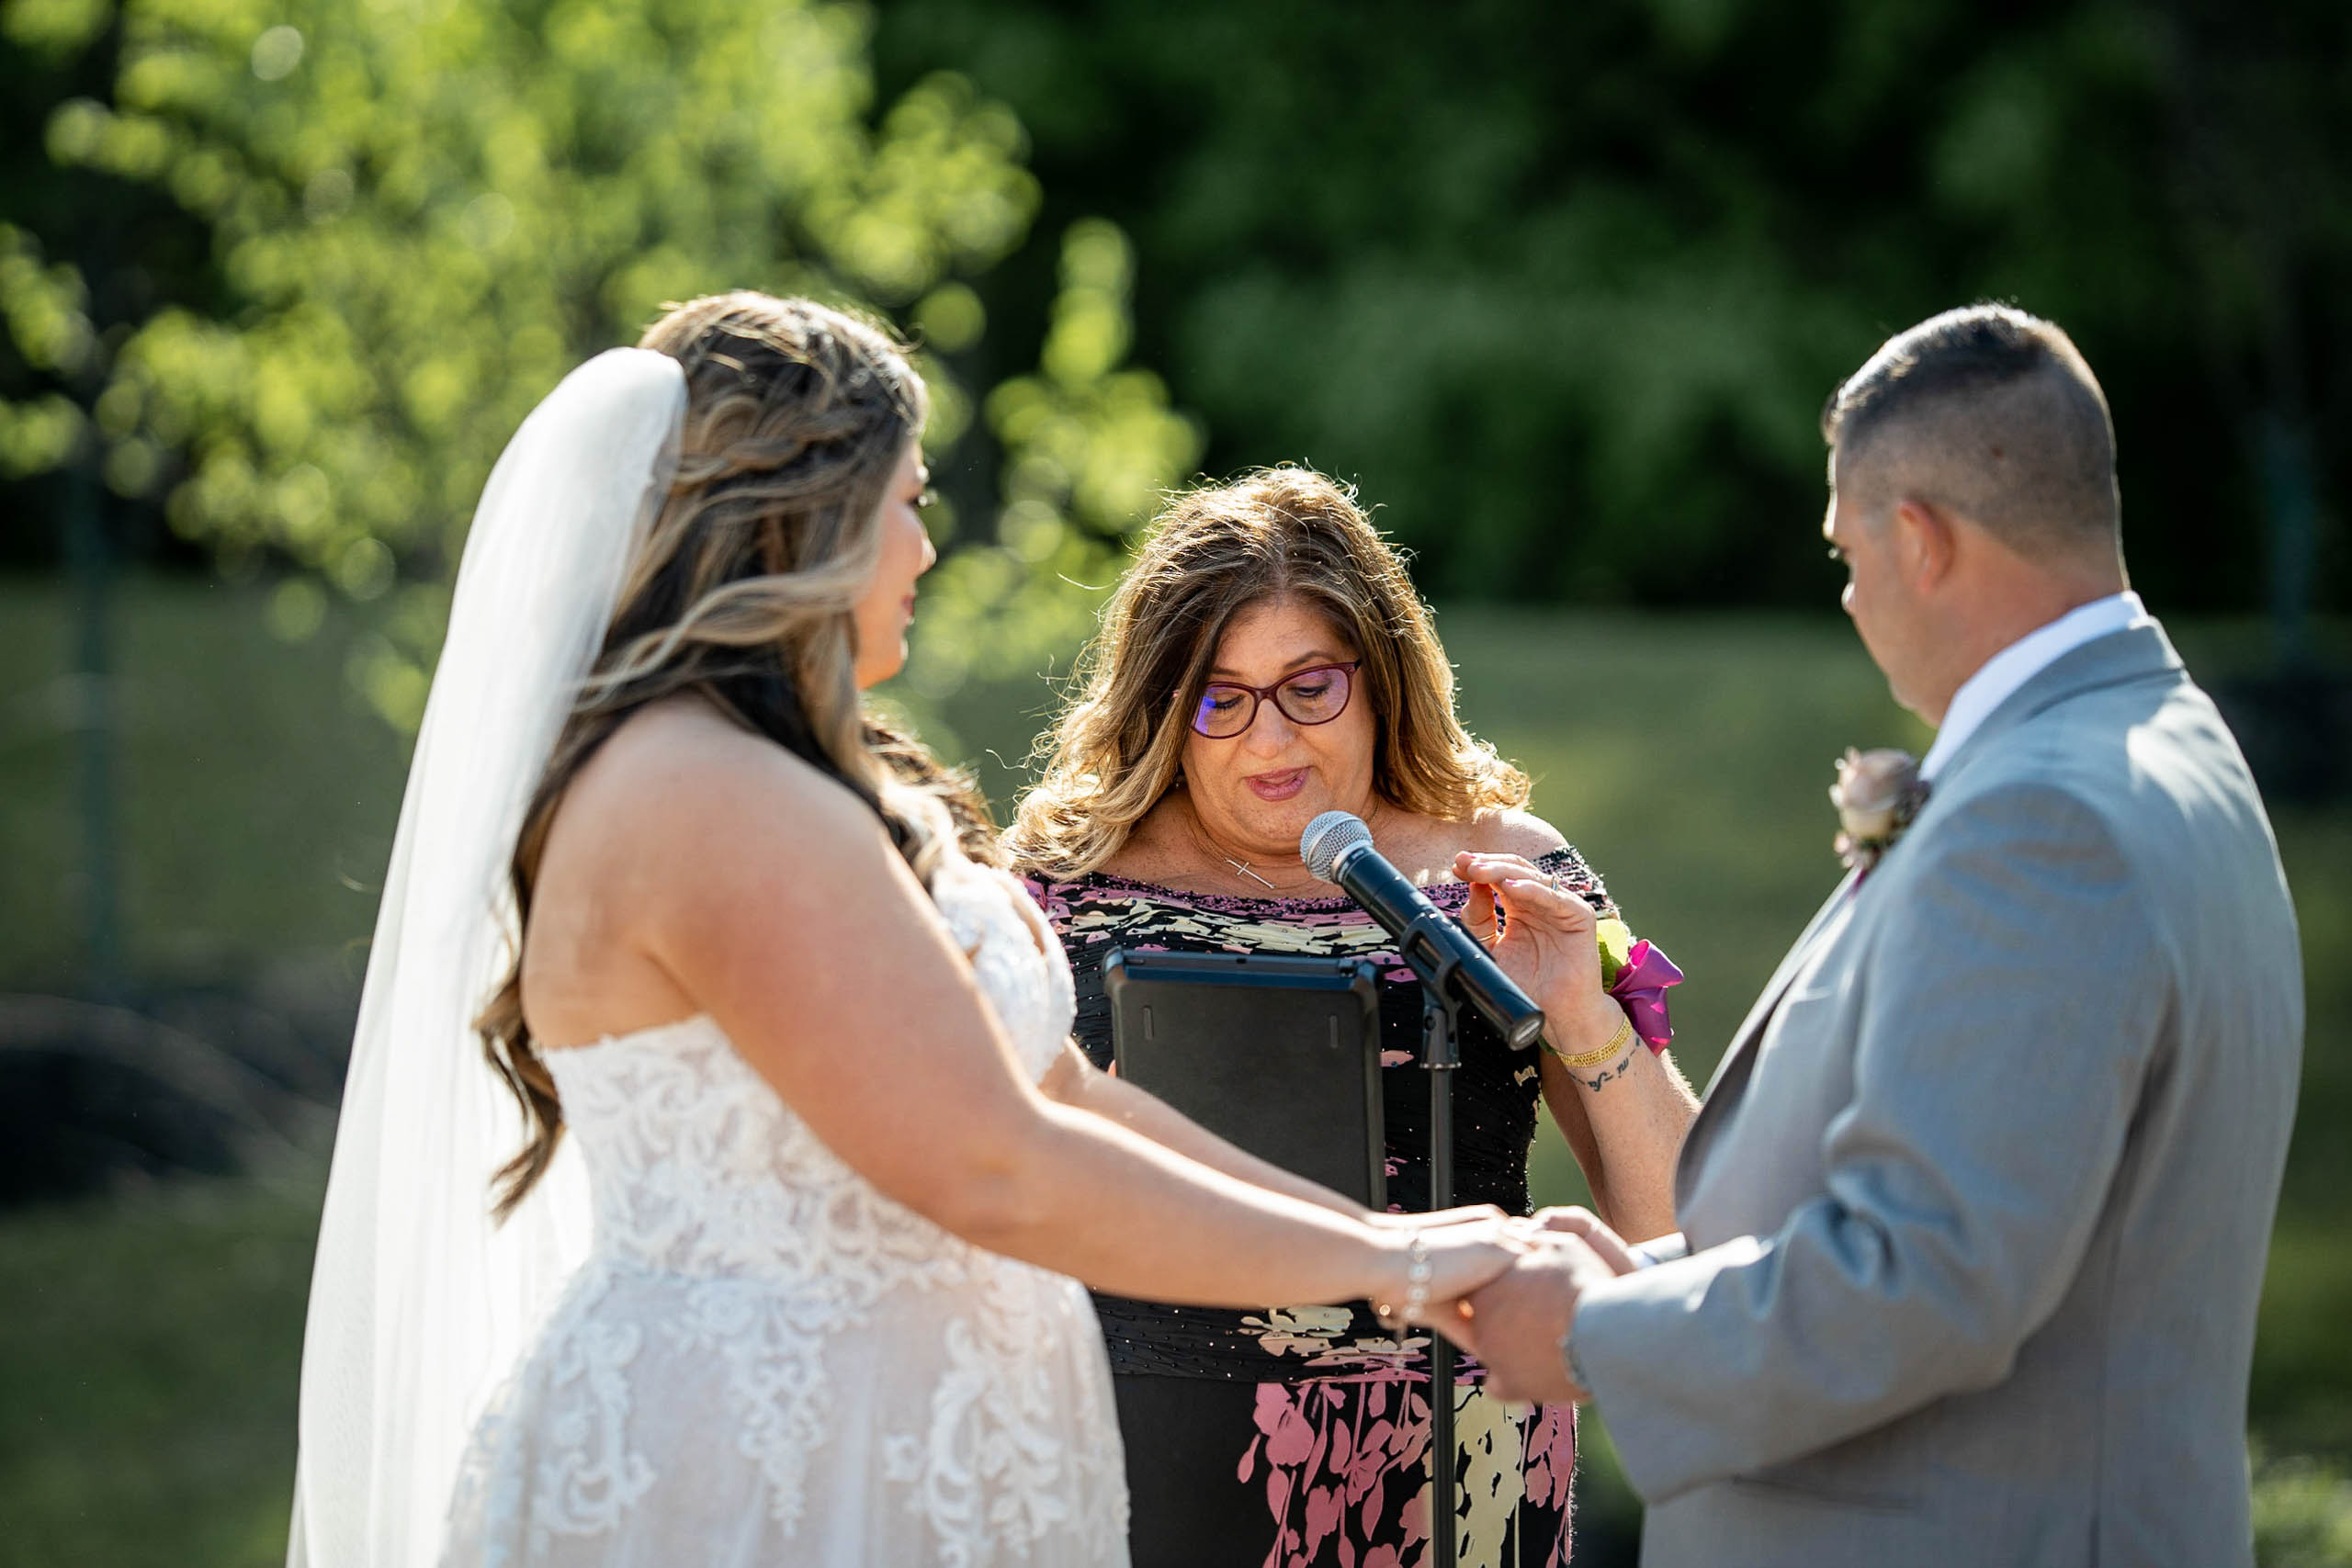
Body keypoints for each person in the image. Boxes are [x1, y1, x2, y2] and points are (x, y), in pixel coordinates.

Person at [286, 295, 1530, 1568]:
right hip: (766, 1468)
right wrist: (1405, 1265)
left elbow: (1062, 1093)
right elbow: (998, 1162)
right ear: (806, 518)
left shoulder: (810, 781)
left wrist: (1415, 1246)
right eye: (909, 501)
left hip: (898, 1448)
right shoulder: (704, 795)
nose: (925, 548)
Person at [1455, 305, 2304, 1567]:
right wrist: (1658, 1276)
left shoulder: (2040, 817)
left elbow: (1932, 1273)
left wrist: (1595, 1335)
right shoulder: (2168, 748)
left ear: (1921, 538)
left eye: (1848, 552)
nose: (1849, 594)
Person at [1008, 468, 1701, 1567]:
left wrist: (1580, 1012)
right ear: (1160, 709)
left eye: (1308, 688)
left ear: (1380, 679)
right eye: (1217, 699)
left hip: (1462, 1455)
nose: (1267, 741)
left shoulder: (1508, 867)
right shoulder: (1062, 886)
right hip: (1148, 1436)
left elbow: (1675, 1219)